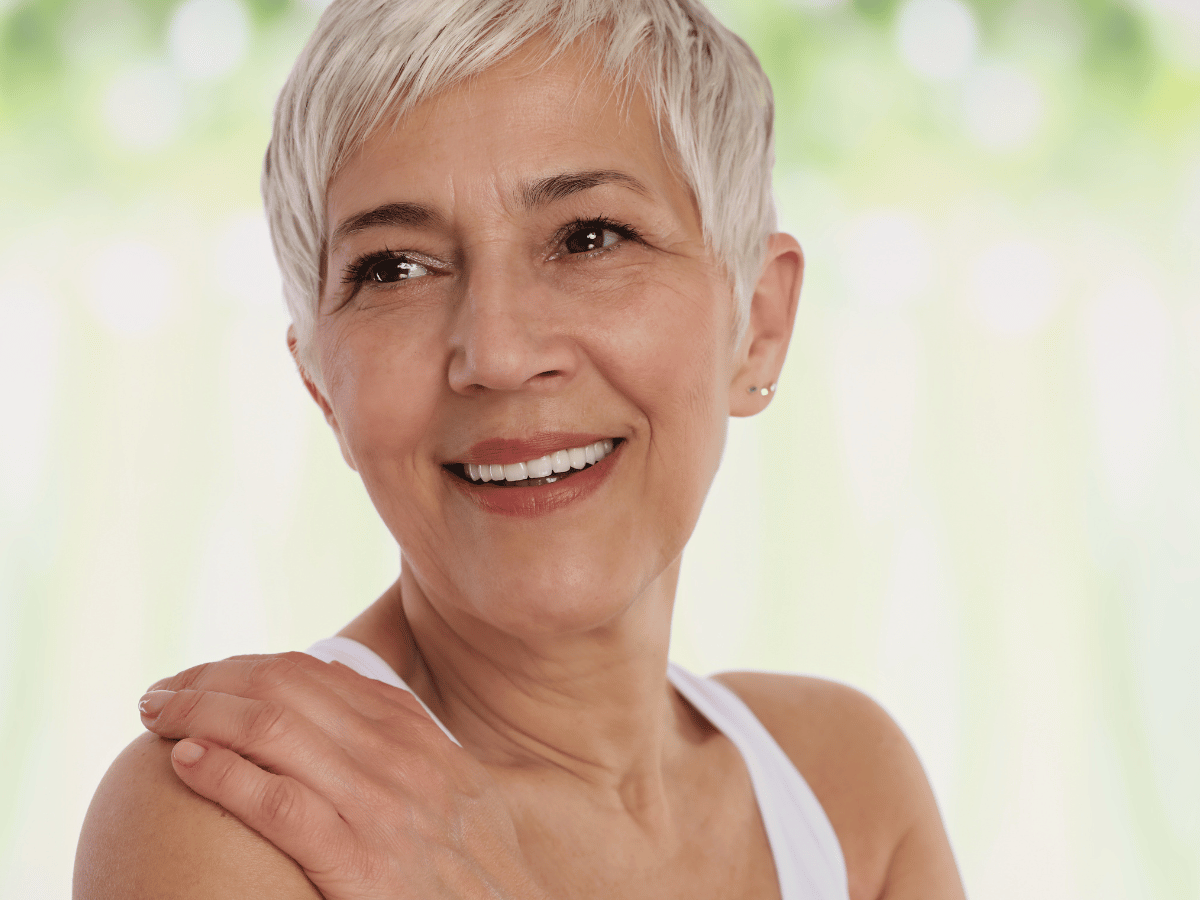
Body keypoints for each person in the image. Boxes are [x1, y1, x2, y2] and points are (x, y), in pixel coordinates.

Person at [74, 0, 965, 897]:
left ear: (759, 326)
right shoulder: (235, 816)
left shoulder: (845, 785)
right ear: (321, 383)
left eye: (591, 238)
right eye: (394, 268)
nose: (497, 353)